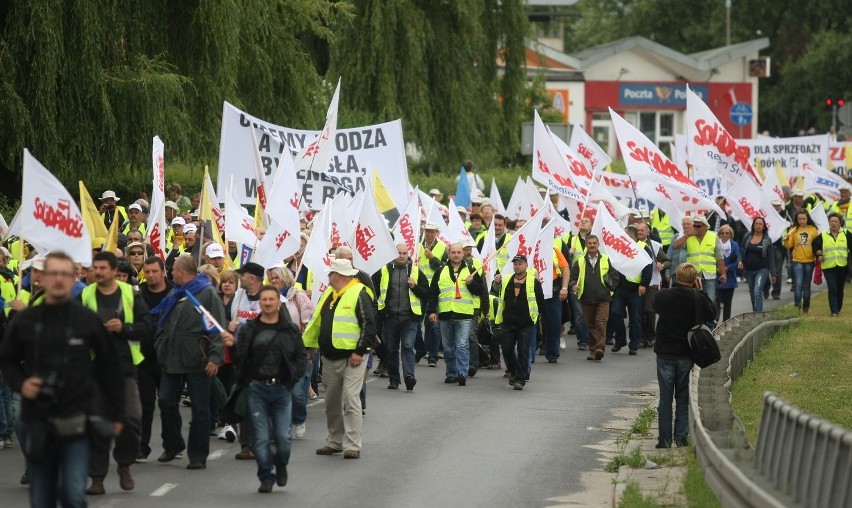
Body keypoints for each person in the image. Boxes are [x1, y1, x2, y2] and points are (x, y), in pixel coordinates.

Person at [0, 251, 126, 508]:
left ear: (74, 278)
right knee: (42, 498)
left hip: (77, 419)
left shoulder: (86, 320)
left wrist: (117, 413)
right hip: (36, 418)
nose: (58, 279)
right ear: (41, 278)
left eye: (64, 273)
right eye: (52, 273)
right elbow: (7, 360)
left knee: (72, 494)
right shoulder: (26, 320)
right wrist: (21, 383)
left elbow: (110, 368)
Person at [81, 251, 152, 495]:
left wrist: (124, 328)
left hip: (124, 368)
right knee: (96, 423)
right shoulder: (86, 293)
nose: (98, 272)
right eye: (95, 268)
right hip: (94, 370)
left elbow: (146, 328)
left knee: (132, 418)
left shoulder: (131, 294)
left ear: (113, 270)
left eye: (102, 268)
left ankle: (124, 464)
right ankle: (97, 477)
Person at [153, 255, 231, 470]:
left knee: (200, 409)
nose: (171, 273)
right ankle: (173, 444)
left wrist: (215, 357)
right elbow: (163, 322)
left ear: (183, 271)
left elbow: (216, 326)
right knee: (166, 402)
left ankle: (198, 455)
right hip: (171, 358)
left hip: (198, 359)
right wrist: (160, 346)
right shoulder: (175, 293)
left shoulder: (206, 293)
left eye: (174, 269)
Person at [234, 285, 306, 493]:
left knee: (283, 437)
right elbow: (240, 356)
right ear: (260, 303)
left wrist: (293, 379)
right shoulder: (249, 329)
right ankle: (266, 475)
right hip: (257, 390)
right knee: (261, 437)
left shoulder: (289, 329)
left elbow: (300, 357)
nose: (267, 303)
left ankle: (281, 463)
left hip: (282, 390)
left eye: (271, 299)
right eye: (263, 300)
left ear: (278, 302)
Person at [303, 259, 377, 459]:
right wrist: (311, 346)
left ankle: (352, 445)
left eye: (331, 273)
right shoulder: (330, 294)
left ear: (340, 275)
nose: (328, 277)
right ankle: (335, 441)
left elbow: (369, 326)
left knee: (350, 399)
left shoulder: (359, 293)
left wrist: (360, 352)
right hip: (330, 357)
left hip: (353, 358)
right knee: (332, 402)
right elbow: (318, 322)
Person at [653, 263, 716, 448]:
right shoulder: (697, 298)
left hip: (665, 352)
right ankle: (681, 437)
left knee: (665, 398)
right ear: (695, 279)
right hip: (686, 353)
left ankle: (664, 440)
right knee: (683, 397)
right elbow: (712, 314)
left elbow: (655, 305)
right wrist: (702, 292)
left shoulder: (664, 296)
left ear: (676, 275)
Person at [267, 266, 315, 438]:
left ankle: (299, 418)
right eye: (272, 278)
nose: (273, 281)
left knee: (296, 391)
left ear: (286, 278)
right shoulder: (270, 298)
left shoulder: (298, 297)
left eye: (277, 278)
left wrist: (309, 350)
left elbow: (309, 323)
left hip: (298, 350)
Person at [373, 243, 429, 391]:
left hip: (409, 318)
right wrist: (380, 312)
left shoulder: (415, 271)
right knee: (391, 349)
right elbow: (374, 292)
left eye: (404, 253)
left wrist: (414, 286)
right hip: (390, 317)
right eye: (399, 253)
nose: (402, 256)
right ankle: (394, 379)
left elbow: (426, 293)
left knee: (408, 346)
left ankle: (409, 377)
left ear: (408, 254)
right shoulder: (384, 270)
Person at [426, 243, 484, 386]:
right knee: (448, 347)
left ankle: (462, 373)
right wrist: (432, 311)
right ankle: (451, 373)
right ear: (449, 254)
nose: (456, 255)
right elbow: (433, 292)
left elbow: (480, 291)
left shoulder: (471, 270)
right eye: (453, 252)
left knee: (462, 345)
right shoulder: (440, 271)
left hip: (464, 314)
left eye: (459, 252)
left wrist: (471, 284)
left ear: (463, 254)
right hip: (446, 314)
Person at [137, 256, 172, 463]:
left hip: (168, 358)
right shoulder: (138, 294)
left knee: (168, 403)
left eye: (154, 272)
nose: (150, 275)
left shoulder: (174, 292)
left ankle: (171, 445)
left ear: (162, 272)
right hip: (144, 357)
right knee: (145, 404)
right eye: (147, 272)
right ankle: (142, 447)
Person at [493, 255, 544, 390]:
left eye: (520, 263)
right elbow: (497, 290)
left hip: (526, 323)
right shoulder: (507, 279)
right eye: (515, 264)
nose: (517, 266)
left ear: (526, 265)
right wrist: (497, 283)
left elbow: (540, 302)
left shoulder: (533, 282)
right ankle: (515, 372)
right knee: (507, 349)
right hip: (508, 322)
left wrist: (538, 319)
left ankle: (520, 379)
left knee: (523, 350)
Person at [568, 235, 618, 362]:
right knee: (590, 325)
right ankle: (593, 350)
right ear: (586, 245)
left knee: (601, 323)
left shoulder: (606, 260)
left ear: (598, 244)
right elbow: (572, 278)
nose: (592, 245)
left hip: (603, 298)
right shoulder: (579, 261)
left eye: (594, 243)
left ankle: (599, 348)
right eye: (589, 243)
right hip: (586, 298)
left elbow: (615, 278)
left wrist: (609, 288)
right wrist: (573, 285)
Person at [671, 214, 727, 306]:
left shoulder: (713, 236)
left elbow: (720, 257)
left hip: (709, 274)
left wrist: (723, 274)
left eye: (698, 226)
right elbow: (675, 246)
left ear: (705, 227)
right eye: (694, 225)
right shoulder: (689, 236)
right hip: (692, 275)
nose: (695, 228)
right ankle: (695, 320)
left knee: (710, 300)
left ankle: (709, 320)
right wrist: (687, 235)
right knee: (693, 302)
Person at [418, 222, 448, 367]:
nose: (429, 234)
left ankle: (433, 356)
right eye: (427, 231)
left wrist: (432, 258)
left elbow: (445, 268)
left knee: (432, 323)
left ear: (436, 233)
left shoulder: (443, 247)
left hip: (435, 290)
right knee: (416, 322)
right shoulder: (417, 245)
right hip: (419, 289)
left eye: (432, 231)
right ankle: (420, 349)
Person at [812, 213, 852, 316]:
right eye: (831, 221)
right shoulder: (823, 235)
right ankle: (834, 311)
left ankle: (838, 308)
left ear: (840, 223)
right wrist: (818, 254)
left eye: (836, 221)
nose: (833, 223)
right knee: (832, 288)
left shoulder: (847, 234)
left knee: (839, 289)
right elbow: (815, 247)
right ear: (829, 223)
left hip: (842, 266)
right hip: (828, 266)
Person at [737, 217, 776, 312]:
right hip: (749, 270)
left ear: (764, 227)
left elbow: (771, 257)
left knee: (757, 291)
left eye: (760, 224)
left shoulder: (767, 239)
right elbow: (741, 250)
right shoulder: (747, 236)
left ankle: (758, 316)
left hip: (762, 270)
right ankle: (755, 313)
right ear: (753, 225)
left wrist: (773, 274)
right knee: (752, 294)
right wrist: (740, 260)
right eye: (756, 224)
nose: (758, 226)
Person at [783, 210, 818, 314]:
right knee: (798, 284)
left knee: (806, 285)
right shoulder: (793, 230)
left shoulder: (813, 229)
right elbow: (788, 246)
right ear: (796, 220)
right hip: (797, 261)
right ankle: (796, 307)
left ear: (807, 219)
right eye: (799, 219)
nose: (802, 221)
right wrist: (786, 239)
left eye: (804, 219)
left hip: (810, 261)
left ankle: (806, 307)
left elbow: (817, 245)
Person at [715, 225, 739, 322]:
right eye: (722, 233)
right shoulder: (716, 244)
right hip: (717, 277)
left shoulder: (734, 245)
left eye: (727, 233)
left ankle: (726, 322)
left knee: (727, 302)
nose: (724, 235)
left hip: (730, 277)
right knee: (716, 301)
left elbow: (736, 261)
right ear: (719, 234)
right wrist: (718, 269)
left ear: (730, 234)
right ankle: (715, 320)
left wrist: (726, 268)